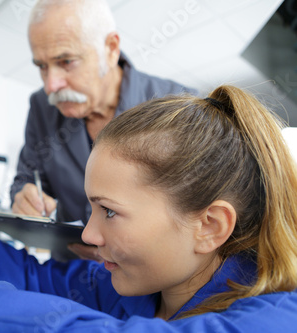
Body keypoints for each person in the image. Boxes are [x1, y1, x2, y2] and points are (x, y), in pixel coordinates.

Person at [0, 85, 297, 332]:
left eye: (108, 211)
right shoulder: (143, 284)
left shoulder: (279, 319)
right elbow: (39, 281)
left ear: (209, 225)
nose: (87, 236)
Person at [10, 0, 196, 260]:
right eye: (41, 66)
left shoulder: (181, 107)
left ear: (110, 49)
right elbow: (26, 178)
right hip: (70, 271)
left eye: (66, 61)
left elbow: (197, 211)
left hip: (147, 279)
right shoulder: (41, 106)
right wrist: (24, 196)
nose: (51, 85)